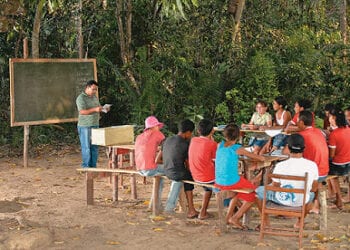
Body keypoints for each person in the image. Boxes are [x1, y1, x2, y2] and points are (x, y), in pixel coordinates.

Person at [256, 134, 319, 229]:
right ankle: (300, 221)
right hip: (302, 201)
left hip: (282, 199)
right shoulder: (312, 165)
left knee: (258, 192)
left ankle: (265, 222)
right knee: (311, 195)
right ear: (304, 148)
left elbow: (275, 187)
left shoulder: (281, 165)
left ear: (288, 148)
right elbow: (314, 188)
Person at [215, 123, 265, 229]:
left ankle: (229, 216)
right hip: (231, 182)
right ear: (238, 136)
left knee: (238, 191)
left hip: (218, 181)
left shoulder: (219, 145)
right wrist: (263, 157)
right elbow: (258, 158)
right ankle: (235, 217)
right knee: (253, 194)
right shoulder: (238, 148)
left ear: (224, 135)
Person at [284, 110, 329, 214]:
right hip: (324, 170)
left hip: (316, 174)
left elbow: (286, 151)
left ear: (302, 123)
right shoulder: (318, 131)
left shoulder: (301, 136)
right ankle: (315, 204)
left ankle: (292, 204)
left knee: (288, 174)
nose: (296, 123)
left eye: (298, 121)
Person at [160, 119, 199, 218]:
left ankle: (189, 208)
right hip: (176, 174)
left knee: (184, 175)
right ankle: (191, 209)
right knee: (189, 178)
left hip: (166, 170)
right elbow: (188, 164)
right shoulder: (185, 144)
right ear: (188, 132)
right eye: (191, 134)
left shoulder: (167, 140)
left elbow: (158, 159)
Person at [188, 119, 217, 220]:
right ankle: (203, 212)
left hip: (195, 175)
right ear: (213, 130)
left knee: (209, 185)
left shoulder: (193, 140)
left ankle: (203, 212)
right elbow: (216, 160)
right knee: (227, 180)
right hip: (207, 178)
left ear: (198, 131)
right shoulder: (212, 144)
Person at [135, 116, 165, 210]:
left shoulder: (139, 137)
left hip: (139, 169)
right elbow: (167, 144)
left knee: (160, 178)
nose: (159, 128)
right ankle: (157, 204)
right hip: (149, 169)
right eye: (157, 126)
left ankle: (154, 203)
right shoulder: (157, 134)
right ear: (153, 127)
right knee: (173, 171)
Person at [76, 80, 105, 168]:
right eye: (93, 89)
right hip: (85, 126)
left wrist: (103, 109)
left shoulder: (94, 97)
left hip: (95, 124)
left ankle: (93, 166)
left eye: (96, 90)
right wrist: (95, 110)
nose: (94, 91)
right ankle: (86, 167)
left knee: (94, 147)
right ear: (87, 87)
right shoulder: (81, 98)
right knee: (86, 147)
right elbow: (82, 111)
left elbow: (98, 107)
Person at [327, 108, 350, 209]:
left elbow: (331, 155)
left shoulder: (334, 134)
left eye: (330, 117)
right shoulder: (348, 129)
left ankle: (338, 199)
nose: (329, 118)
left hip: (339, 164)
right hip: (348, 162)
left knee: (326, 168)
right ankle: (336, 197)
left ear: (334, 119)